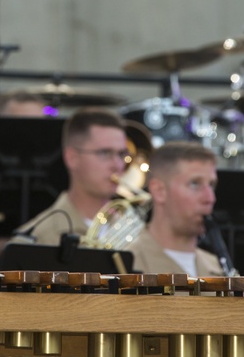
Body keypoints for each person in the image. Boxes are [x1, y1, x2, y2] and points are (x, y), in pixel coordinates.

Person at [12, 108, 129, 245]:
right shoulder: (36, 239)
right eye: (104, 153)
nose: (118, 165)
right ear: (72, 158)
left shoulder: (137, 230)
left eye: (121, 154)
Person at [123, 142, 224, 277]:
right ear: (159, 191)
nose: (210, 198)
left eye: (211, 185)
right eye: (195, 183)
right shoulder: (126, 266)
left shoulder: (217, 267)